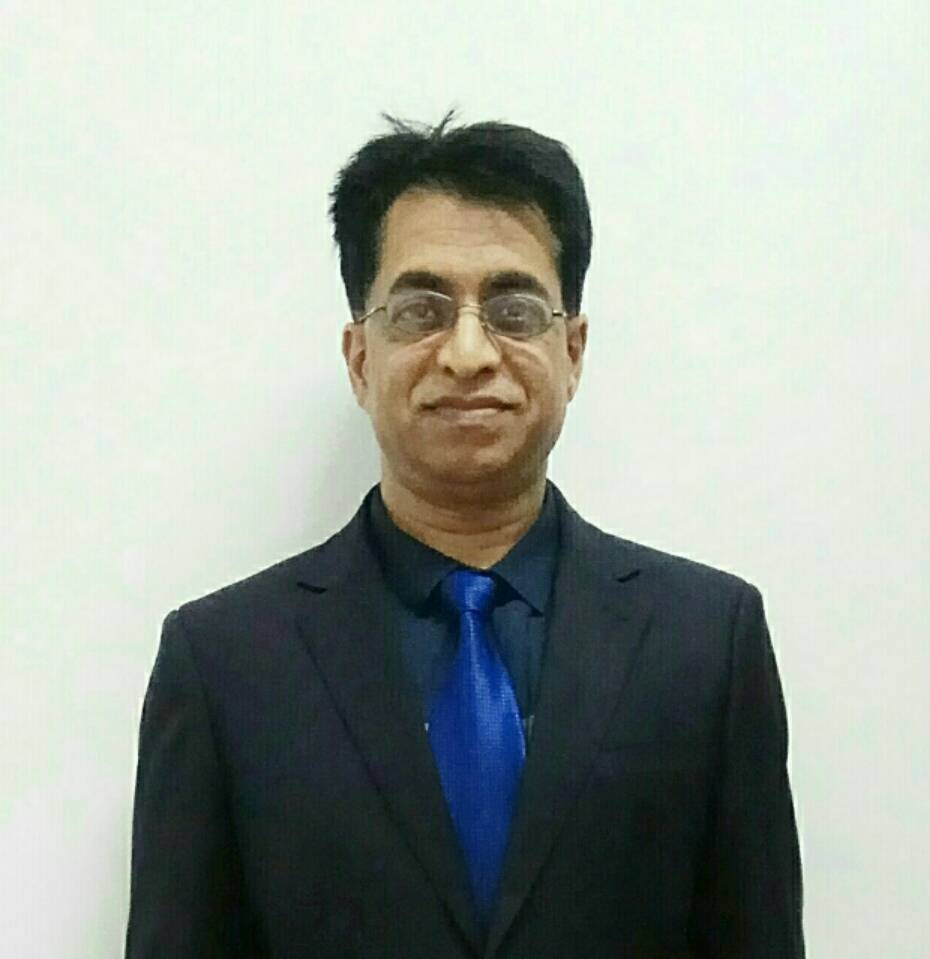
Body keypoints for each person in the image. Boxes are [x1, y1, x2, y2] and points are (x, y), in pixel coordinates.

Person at [125, 114, 805, 958]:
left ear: (572, 351)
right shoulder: (224, 663)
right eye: (422, 310)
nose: (469, 351)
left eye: (513, 310)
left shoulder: (705, 642)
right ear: (359, 357)